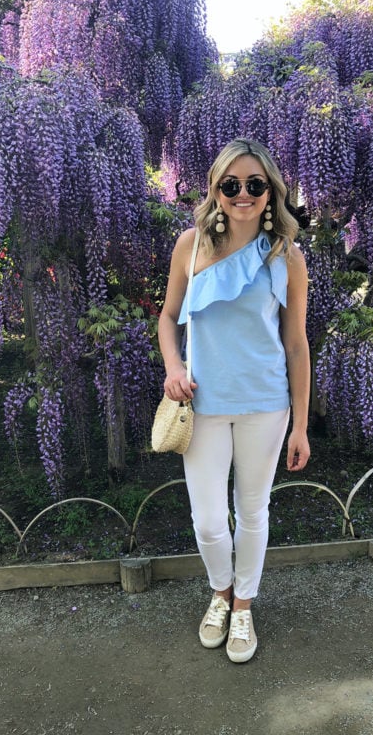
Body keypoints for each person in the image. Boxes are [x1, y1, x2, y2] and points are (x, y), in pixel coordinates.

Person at [158, 138, 311, 663]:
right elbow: (166, 317)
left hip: (266, 404)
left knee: (252, 510)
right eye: (231, 185)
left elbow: (296, 344)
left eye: (254, 185)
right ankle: (219, 592)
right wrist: (173, 367)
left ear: (270, 192)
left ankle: (242, 604)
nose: (242, 194)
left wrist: (301, 425)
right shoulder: (191, 245)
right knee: (206, 519)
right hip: (202, 404)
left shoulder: (287, 257)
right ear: (216, 190)